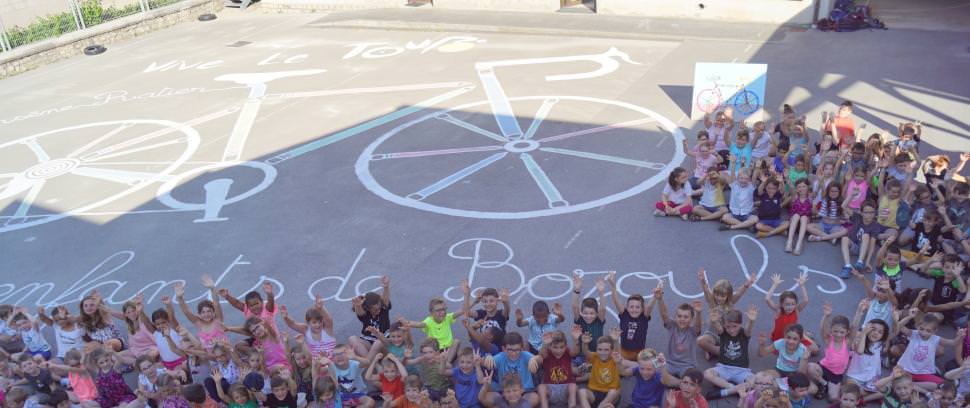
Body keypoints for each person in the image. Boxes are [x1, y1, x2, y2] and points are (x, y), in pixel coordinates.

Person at [703, 306, 758, 399]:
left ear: (740, 324)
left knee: (755, 380)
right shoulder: (723, 332)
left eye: (735, 326)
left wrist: (751, 321)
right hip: (724, 368)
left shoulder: (744, 334)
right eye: (728, 327)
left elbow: (749, 329)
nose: (731, 330)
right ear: (724, 325)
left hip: (742, 371)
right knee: (707, 374)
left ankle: (725, 392)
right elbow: (718, 326)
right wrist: (714, 321)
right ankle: (734, 388)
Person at [606, 272, 658, 361]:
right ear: (627, 307)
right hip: (624, 351)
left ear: (642, 309)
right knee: (612, 358)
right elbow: (615, 300)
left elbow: (649, 306)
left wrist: (655, 296)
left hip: (640, 352)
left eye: (637, 307)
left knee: (654, 361)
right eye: (631, 307)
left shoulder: (644, 317)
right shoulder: (624, 314)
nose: (634, 309)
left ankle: (633, 367)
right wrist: (613, 286)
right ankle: (631, 367)